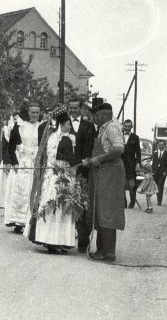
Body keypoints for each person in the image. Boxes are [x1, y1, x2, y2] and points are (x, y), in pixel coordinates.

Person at [25, 107, 82, 254]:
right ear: (62, 125)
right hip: (61, 176)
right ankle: (56, 241)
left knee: (53, 206)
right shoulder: (66, 140)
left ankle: (53, 240)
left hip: (51, 176)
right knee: (59, 207)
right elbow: (70, 159)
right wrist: (82, 162)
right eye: (68, 124)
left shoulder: (51, 138)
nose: (70, 127)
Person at [84, 101, 126, 263]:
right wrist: (91, 160)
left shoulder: (112, 127)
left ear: (105, 115)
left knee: (107, 211)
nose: (94, 118)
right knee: (101, 210)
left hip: (111, 173)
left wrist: (99, 159)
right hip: (103, 172)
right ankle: (101, 250)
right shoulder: (104, 128)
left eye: (97, 115)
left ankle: (109, 253)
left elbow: (119, 149)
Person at [4, 103, 42, 233]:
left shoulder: (42, 127)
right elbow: (10, 146)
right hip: (22, 162)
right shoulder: (20, 125)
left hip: (35, 162)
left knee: (34, 190)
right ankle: (18, 221)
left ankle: (31, 221)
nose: (35, 115)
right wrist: (14, 162)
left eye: (37, 112)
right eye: (33, 112)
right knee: (20, 190)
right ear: (28, 112)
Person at [68, 98, 95, 252]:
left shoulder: (89, 126)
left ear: (81, 109)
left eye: (75, 108)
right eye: (70, 108)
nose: (73, 111)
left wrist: (87, 160)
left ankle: (83, 239)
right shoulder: (63, 125)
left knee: (83, 204)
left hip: (84, 171)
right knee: (68, 203)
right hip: (67, 170)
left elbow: (92, 147)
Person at [0, 116, 17, 209]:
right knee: (6, 183)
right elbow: (5, 148)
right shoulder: (7, 131)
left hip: (18, 159)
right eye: (15, 119)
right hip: (8, 160)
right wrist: (6, 162)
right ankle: (5, 204)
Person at [121, 119, 141, 209]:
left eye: (129, 126)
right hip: (120, 164)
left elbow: (138, 152)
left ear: (131, 127)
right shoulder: (119, 136)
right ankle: (123, 202)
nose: (127, 128)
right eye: (125, 126)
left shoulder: (135, 137)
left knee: (132, 184)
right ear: (123, 126)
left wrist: (138, 163)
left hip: (131, 165)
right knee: (121, 184)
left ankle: (132, 202)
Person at [152, 139, 167, 206]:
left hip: (162, 173)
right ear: (158, 145)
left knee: (160, 186)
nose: (160, 146)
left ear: (164, 145)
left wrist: (165, 172)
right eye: (159, 145)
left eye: (162, 145)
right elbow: (154, 163)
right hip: (156, 173)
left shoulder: (166, 153)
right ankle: (158, 198)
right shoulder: (155, 153)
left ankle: (159, 201)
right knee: (156, 186)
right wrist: (152, 171)